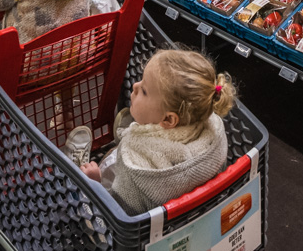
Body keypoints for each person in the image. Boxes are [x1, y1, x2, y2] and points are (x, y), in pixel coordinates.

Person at [81, 49, 236, 213]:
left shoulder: (134, 169)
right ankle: (141, 122)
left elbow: (118, 213)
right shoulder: (211, 132)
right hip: (185, 215)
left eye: (144, 91)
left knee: (85, 177)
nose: (135, 86)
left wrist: (95, 185)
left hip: (131, 224)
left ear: (169, 120)